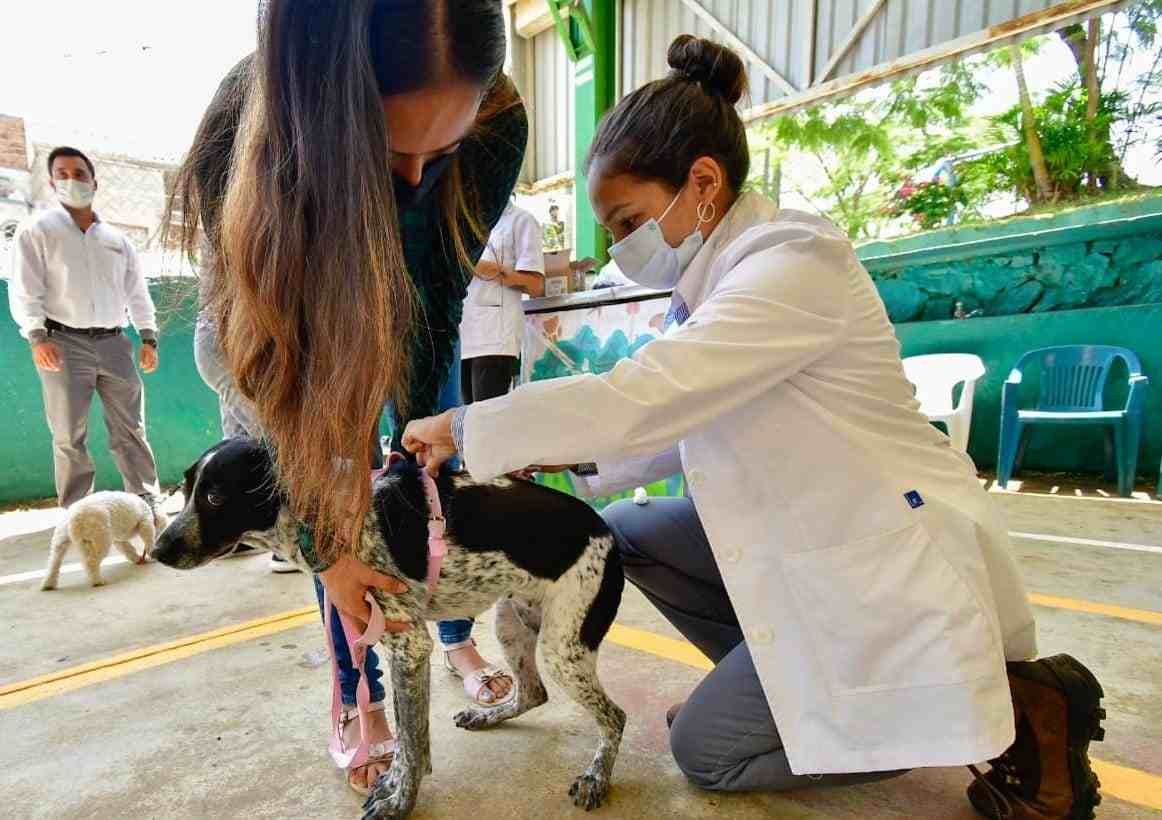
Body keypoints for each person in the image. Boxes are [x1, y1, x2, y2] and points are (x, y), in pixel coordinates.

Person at [400, 35, 1105, 820]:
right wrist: (558, 458)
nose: (620, 247)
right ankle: (790, 690)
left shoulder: (791, 261)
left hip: (881, 553)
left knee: (708, 754)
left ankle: (1017, 702)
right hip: (807, 531)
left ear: (703, 181)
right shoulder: (711, 287)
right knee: (628, 529)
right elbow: (679, 423)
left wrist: (468, 426)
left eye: (628, 220)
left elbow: (655, 391)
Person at [171, 0, 522, 795]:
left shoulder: (494, 113)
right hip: (282, 342)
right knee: (339, 529)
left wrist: (414, 433)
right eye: (393, 147)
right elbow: (257, 357)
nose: (415, 178)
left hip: (405, 317)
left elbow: (439, 292)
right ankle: (358, 693)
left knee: (426, 501)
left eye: (446, 148)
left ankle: (454, 636)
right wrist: (328, 542)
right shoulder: (247, 133)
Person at [9, 146, 161, 510]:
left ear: (94, 182)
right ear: (50, 182)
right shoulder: (38, 231)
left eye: (79, 174)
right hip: (62, 343)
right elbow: (26, 288)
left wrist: (148, 336)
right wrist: (36, 336)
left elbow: (136, 292)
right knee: (68, 433)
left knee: (130, 428)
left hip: (115, 343)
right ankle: (77, 509)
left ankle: (145, 500)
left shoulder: (117, 241)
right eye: (62, 174)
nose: (71, 181)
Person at [459, 200, 545, 405]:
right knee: (466, 419)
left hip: (495, 338)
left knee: (486, 418)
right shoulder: (465, 224)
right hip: (464, 337)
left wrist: (488, 269)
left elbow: (535, 285)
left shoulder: (521, 220)